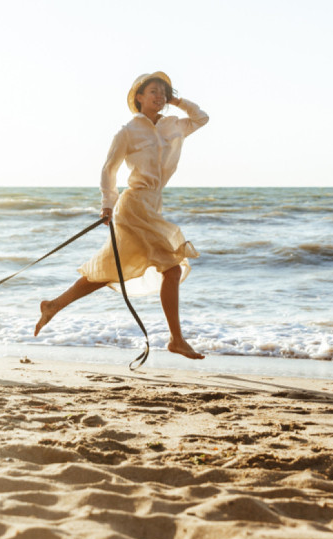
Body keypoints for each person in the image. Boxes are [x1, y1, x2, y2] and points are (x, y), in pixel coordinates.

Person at [34, 71, 209, 360]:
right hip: (134, 206)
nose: (159, 96)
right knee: (173, 268)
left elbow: (202, 118)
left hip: (153, 205)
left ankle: (53, 306)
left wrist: (176, 100)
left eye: (163, 92)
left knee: (108, 270)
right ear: (139, 97)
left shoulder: (174, 125)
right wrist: (107, 205)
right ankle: (176, 339)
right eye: (153, 91)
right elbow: (109, 169)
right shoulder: (127, 131)